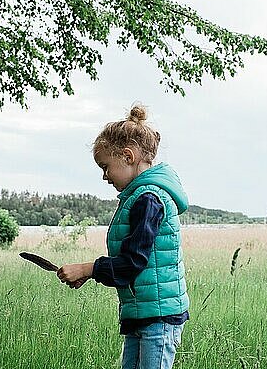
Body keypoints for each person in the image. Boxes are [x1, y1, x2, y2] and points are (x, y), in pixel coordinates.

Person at [57, 104, 190, 369]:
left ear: (128, 156)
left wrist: (89, 268)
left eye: (105, 167)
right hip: (142, 313)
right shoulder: (137, 198)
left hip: (158, 317)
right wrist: (91, 272)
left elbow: (131, 263)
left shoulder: (148, 199)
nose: (104, 176)